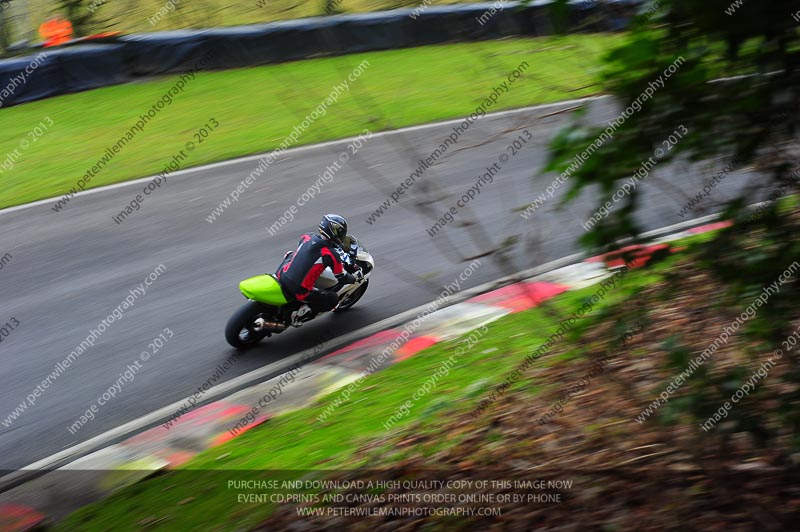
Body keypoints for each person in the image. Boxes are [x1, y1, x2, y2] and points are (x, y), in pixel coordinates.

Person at [276, 214, 358, 326]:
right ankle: (296, 315)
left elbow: (305, 254)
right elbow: (341, 276)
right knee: (333, 299)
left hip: (281, 274)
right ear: (335, 232)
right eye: (342, 232)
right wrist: (354, 278)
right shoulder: (331, 254)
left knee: (290, 254)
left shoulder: (306, 236)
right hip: (299, 290)